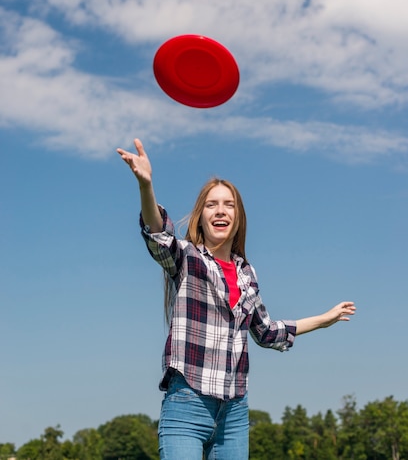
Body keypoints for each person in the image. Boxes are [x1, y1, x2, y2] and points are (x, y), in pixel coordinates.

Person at [116, 138, 356, 460]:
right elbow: (159, 236)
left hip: (234, 414)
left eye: (228, 205)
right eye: (212, 204)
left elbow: (266, 332)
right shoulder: (187, 259)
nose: (220, 210)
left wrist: (323, 320)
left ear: (238, 217)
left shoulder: (247, 274)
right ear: (201, 216)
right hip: (187, 405)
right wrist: (147, 186)